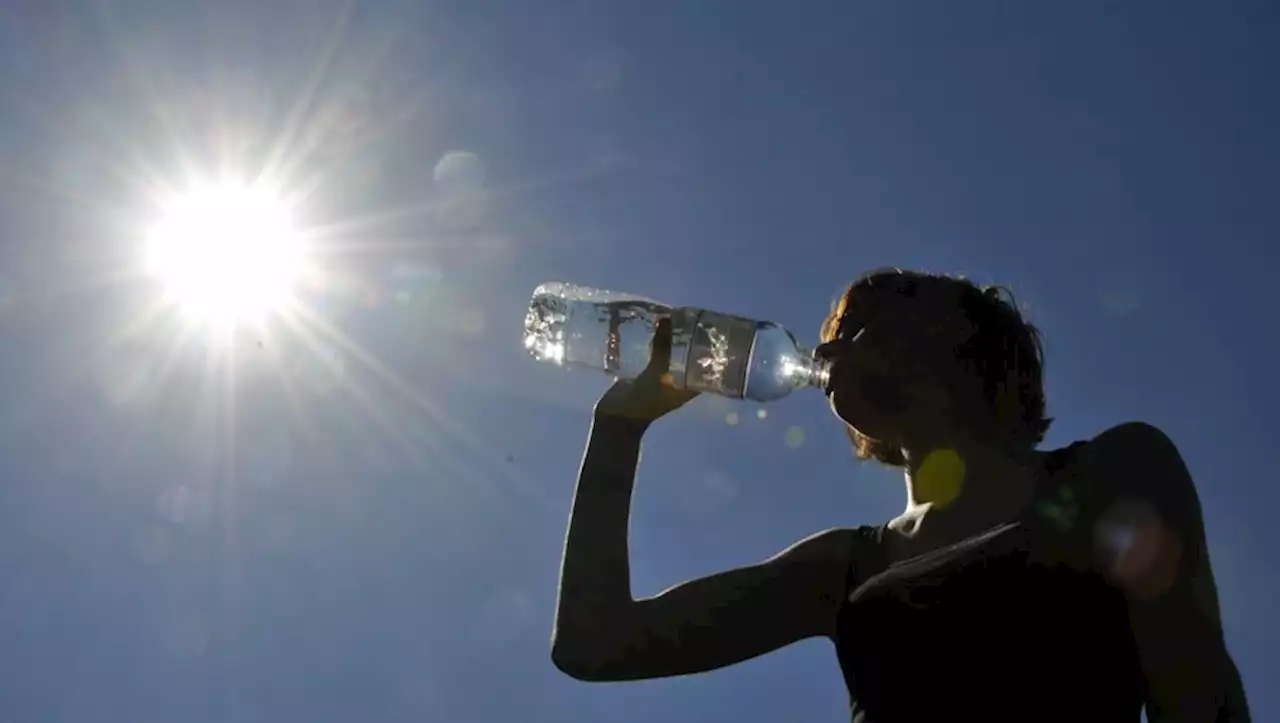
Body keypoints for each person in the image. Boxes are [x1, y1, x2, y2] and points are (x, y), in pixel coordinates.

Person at [549, 268, 1250, 722]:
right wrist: (619, 427)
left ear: (977, 349)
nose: (842, 344)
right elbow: (596, 642)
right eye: (841, 332)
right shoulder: (845, 568)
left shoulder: (1115, 471)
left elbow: (1198, 697)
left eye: (881, 317)